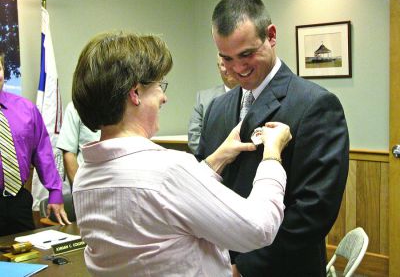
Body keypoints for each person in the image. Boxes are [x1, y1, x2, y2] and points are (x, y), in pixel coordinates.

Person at [71, 31, 292, 276]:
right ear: (135, 93)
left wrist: (217, 158)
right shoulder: (167, 170)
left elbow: (167, 208)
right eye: (158, 86)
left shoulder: (85, 177)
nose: (163, 97)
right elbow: (259, 229)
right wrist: (272, 156)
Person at [196, 0, 349, 276]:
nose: (237, 68)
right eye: (226, 58)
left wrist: (243, 267)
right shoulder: (217, 108)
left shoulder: (315, 105)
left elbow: (314, 210)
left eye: (246, 54)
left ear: (272, 36)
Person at [0, 53, 70, 236]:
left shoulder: (26, 109)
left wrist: (55, 192)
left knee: (28, 258)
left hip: (17, 202)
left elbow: (43, 153)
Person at [188, 56, 238, 153]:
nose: (228, 68)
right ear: (218, 68)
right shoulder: (203, 98)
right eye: (223, 64)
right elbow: (194, 137)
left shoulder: (253, 95)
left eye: (231, 62)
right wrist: (215, 159)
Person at [56, 101, 100, 185]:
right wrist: (79, 189)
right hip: (86, 185)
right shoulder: (75, 107)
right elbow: (69, 153)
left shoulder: (124, 104)